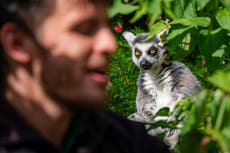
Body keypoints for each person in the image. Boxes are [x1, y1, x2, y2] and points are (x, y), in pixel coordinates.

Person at [0, 0, 171, 152]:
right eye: (84, 29)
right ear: (18, 44)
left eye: (106, 26)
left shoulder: (127, 140)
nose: (110, 44)